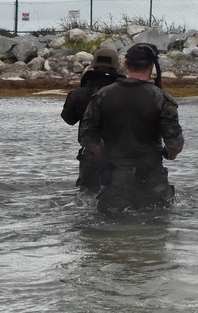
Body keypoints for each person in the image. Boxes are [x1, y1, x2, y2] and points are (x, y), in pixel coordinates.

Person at [78, 43, 184, 213]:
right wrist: (167, 155)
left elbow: (88, 138)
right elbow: (175, 145)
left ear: (126, 64)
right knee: (157, 229)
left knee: (110, 230)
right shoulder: (162, 99)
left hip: (114, 182)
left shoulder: (102, 96)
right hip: (152, 181)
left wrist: (105, 155)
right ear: (151, 66)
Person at [60, 47, 124, 189]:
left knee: (87, 197)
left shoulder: (80, 93)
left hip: (91, 155)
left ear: (93, 67)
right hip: (122, 157)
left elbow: (68, 118)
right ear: (116, 69)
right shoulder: (127, 93)